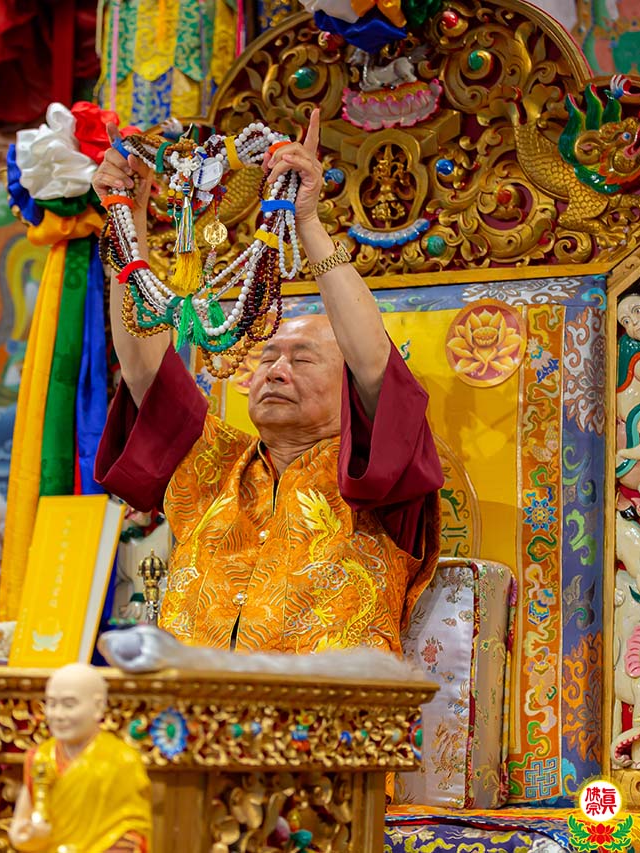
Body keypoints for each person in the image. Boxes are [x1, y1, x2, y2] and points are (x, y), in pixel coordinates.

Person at [92, 109, 442, 654]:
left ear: (349, 390)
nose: (276, 369)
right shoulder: (212, 464)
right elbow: (145, 371)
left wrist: (307, 222)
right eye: (268, 357)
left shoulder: (379, 471)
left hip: (334, 707)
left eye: (303, 360)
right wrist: (126, 216)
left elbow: (374, 362)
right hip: (195, 703)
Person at [8, 664, 151, 852]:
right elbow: (20, 825)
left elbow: (132, 833)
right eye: (51, 704)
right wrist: (26, 834)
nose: (58, 714)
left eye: (69, 705)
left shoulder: (122, 760)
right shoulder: (40, 757)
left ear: (98, 707)